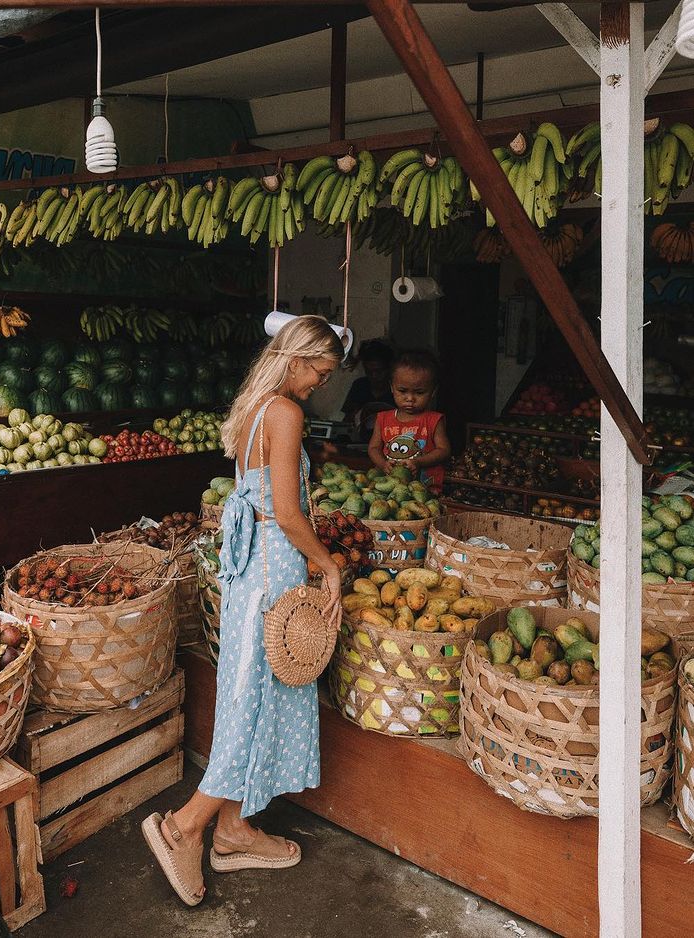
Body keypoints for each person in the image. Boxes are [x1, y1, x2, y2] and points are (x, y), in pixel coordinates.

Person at [142, 315, 344, 907]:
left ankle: (233, 831)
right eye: (320, 373)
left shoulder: (258, 405)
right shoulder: (286, 413)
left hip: (251, 570)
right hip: (272, 565)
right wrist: (327, 563)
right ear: (299, 360)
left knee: (250, 697)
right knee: (253, 703)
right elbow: (286, 512)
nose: (319, 386)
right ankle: (186, 825)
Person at [367, 349, 451, 489]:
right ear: (392, 388)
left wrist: (419, 462)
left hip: (425, 488)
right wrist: (383, 464)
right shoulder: (383, 418)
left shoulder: (434, 420)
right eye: (402, 391)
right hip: (390, 488)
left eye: (419, 392)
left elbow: (444, 450)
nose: (410, 399)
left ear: (433, 392)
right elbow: (374, 448)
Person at [341, 339, 395, 423]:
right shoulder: (360, 386)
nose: (374, 376)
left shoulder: (398, 389)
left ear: (389, 368)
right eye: (369, 371)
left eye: (379, 371)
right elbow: (347, 420)